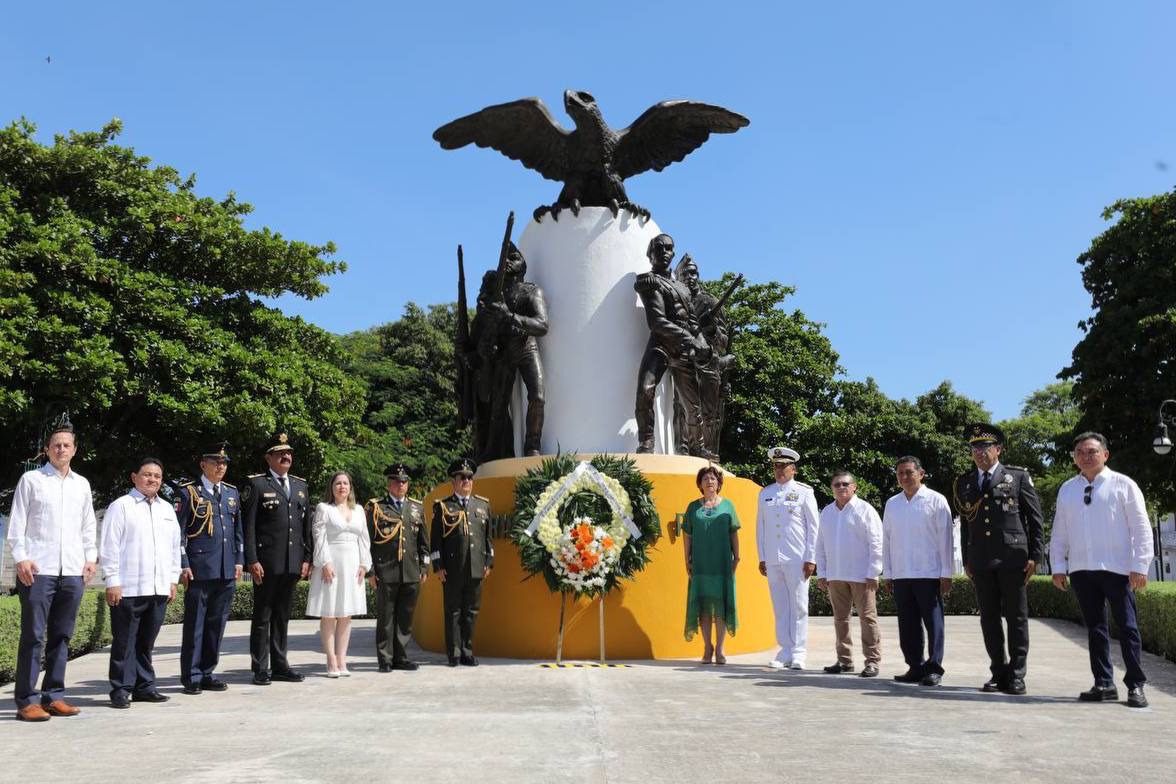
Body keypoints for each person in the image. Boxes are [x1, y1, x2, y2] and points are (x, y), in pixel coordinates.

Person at [1050, 432, 1154, 708]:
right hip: (1082, 570)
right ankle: (1103, 683)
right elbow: (1059, 531)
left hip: (1118, 569)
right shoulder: (1068, 489)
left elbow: (1141, 528)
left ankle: (1135, 685)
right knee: (1095, 628)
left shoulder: (1124, 485)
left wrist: (1140, 565)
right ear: (1074, 458)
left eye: (1092, 451)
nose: (1086, 456)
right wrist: (1059, 566)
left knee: (1128, 627)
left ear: (1105, 454)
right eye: (1080, 452)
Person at [7, 422, 97, 722]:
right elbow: (17, 524)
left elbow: (88, 526)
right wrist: (21, 558)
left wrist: (90, 558)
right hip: (38, 569)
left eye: (66, 445)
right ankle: (27, 700)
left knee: (62, 635)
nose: (61, 449)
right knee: (33, 635)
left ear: (74, 450)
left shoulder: (81, 484)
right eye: (56, 445)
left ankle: (54, 695)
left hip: (72, 570)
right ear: (47, 449)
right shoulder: (31, 480)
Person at [953, 423, 1043, 695]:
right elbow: (967, 523)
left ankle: (1016, 674)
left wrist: (1035, 556)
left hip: (1012, 557)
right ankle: (997, 670)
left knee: (1016, 618)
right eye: (975, 448)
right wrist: (967, 558)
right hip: (981, 559)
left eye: (985, 447)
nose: (980, 453)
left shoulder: (1017, 477)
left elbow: (1034, 519)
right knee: (989, 619)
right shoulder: (966, 482)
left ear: (998, 449)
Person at [100, 457, 182, 708]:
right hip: (129, 588)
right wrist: (112, 580)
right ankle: (121, 689)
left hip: (157, 587)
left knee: (147, 641)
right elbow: (109, 546)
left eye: (157, 476)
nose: (153, 480)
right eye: (147, 475)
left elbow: (174, 547)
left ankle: (145, 686)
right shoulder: (121, 506)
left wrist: (172, 580)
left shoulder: (166, 509)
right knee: (125, 641)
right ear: (134, 477)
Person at [241, 432, 312, 685]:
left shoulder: (301, 486)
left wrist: (306, 558)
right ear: (268, 457)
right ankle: (260, 667)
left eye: (289, 452)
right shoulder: (257, 485)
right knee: (263, 616)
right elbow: (248, 526)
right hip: (266, 562)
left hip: (292, 562)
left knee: (282, 616)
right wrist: (252, 559)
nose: (286, 456)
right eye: (280, 453)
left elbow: (305, 527)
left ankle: (280, 665)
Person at [466, 242, 549, 460]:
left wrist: (510, 316)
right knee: (498, 406)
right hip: (504, 352)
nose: (509, 262)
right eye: (506, 258)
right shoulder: (496, 293)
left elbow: (542, 325)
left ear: (523, 264)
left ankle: (532, 445)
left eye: (514, 258)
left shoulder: (532, 291)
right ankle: (496, 451)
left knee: (538, 397)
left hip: (527, 347)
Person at [175, 442, 243, 695]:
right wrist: (183, 564)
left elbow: (237, 531)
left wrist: (239, 560)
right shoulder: (188, 492)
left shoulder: (231, 493)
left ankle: (207, 672)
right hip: (200, 568)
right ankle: (191, 675)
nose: (220, 467)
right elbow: (179, 534)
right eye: (215, 462)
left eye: (224, 463)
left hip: (226, 568)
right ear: (203, 464)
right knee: (196, 624)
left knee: (217, 623)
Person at [633, 233, 710, 454]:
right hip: (661, 344)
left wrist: (702, 342)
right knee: (645, 391)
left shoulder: (684, 288)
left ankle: (699, 447)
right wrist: (692, 339)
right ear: (650, 254)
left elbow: (693, 322)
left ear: (673, 253)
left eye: (668, 248)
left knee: (693, 403)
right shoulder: (648, 281)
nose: (664, 252)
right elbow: (657, 322)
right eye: (658, 248)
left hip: (685, 349)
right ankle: (646, 441)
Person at [883, 457, 955, 686]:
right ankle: (915, 665)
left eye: (908, 472)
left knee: (934, 623)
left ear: (921, 473)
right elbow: (887, 540)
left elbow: (945, 539)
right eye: (900, 473)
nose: (904, 477)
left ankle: (934, 668)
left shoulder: (936, 500)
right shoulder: (892, 503)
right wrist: (888, 572)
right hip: (902, 573)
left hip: (929, 572)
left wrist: (946, 573)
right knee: (908, 624)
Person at [756, 446, 819, 669]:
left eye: (783, 466)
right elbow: (760, 528)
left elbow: (814, 527)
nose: (779, 470)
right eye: (776, 466)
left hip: (797, 557)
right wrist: (762, 556)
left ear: (793, 469)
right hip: (774, 558)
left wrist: (811, 558)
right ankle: (784, 650)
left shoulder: (804, 492)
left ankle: (799, 652)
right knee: (780, 605)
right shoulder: (766, 493)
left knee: (799, 605)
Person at [816, 471, 883, 678]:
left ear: (854, 487)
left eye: (845, 484)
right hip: (836, 574)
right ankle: (844, 661)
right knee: (840, 619)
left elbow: (877, 542)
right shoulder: (827, 512)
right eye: (836, 484)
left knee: (868, 619)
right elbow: (821, 544)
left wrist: (874, 571)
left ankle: (872, 661)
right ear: (832, 488)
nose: (841, 487)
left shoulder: (865, 510)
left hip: (862, 575)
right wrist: (823, 572)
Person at [305, 471, 372, 677]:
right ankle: (331, 660)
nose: (342, 487)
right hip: (331, 563)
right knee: (329, 613)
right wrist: (325, 562)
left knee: (345, 614)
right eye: (338, 483)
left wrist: (364, 563)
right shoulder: (324, 509)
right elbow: (319, 537)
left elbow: (364, 539)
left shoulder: (359, 510)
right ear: (331, 487)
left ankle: (342, 658)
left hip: (352, 565)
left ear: (350, 487)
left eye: (345, 483)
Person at [367, 463, 430, 672]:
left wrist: (424, 567)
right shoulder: (377, 507)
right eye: (396, 481)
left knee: (405, 616)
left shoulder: (416, 507)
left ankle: (400, 657)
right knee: (386, 617)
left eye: (404, 482)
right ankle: (385, 658)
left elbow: (424, 542)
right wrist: (371, 571)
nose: (400, 485)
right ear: (389, 483)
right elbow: (368, 542)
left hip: (411, 571)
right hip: (386, 570)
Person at [431, 457, 494, 666]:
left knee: (471, 612)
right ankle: (454, 653)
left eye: (469, 477)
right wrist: (438, 567)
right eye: (462, 477)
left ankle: (467, 651)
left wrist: (488, 562)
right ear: (454, 482)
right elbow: (435, 542)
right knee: (453, 611)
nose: (466, 481)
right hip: (452, 569)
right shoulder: (443, 506)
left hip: (476, 568)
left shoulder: (482, 505)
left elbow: (487, 538)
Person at [682, 465, 740, 664]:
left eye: (713, 479)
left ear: (719, 483)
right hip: (700, 563)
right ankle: (708, 647)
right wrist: (686, 559)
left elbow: (733, 532)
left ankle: (721, 650)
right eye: (705, 479)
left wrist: (737, 558)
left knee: (721, 606)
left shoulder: (728, 506)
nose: (709, 482)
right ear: (700, 484)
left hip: (722, 563)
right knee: (705, 608)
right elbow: (687, 535)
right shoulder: (692, 507)